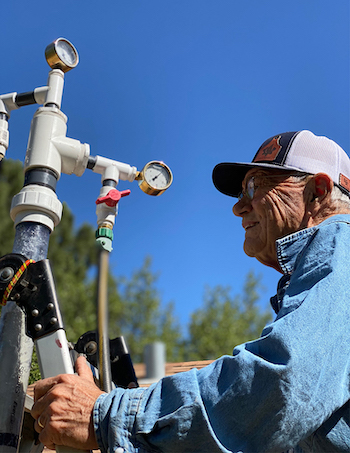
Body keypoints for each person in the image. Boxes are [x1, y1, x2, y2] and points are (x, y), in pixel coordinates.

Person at [31, 130, 350, 452]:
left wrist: (105, 415)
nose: (238, 207)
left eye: (255, 186)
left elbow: (279, 383)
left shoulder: (341, 247)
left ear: (317, 192)